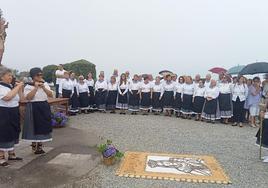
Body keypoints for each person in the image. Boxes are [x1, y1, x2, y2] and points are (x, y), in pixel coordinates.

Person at [23, 67, 53, 154]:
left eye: (41, 74)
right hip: (33, 106)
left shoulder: (45, 84)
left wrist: (43, 87)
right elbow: (28, 98)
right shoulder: (28, 86)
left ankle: (40, 145)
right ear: (33, 76)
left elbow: (50, 95)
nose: (40, 76)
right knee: (34, 126)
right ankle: (33, 144)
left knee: (43, 126)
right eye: (38, 75)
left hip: (43, 105)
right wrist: (35, 88)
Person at [0, 66, 23, 166]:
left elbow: (21, 98)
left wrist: (19, 88)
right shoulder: (1, 87)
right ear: (1, 76)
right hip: (4, 112)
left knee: (13, 131)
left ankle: (11, 154)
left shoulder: (11, 87)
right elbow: (7, 97)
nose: (11, 77)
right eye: (8, 75)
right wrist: (17, 87)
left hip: (13, 111)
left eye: (11, 75)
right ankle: (1, 157)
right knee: (4, 133)